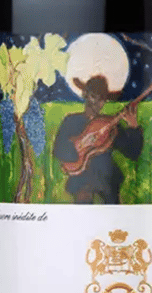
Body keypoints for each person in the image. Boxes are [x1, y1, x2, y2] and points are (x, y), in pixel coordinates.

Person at [53, 75, 143, 204]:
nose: (99, 103)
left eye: (102, 99)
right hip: (81, 182)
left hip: (106, 182)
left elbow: (133, 153)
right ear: (85, 95)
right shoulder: (71, 121)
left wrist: (133, 127)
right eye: (94, 96)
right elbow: (59, 150)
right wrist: (81, 148)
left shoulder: (109, 124)